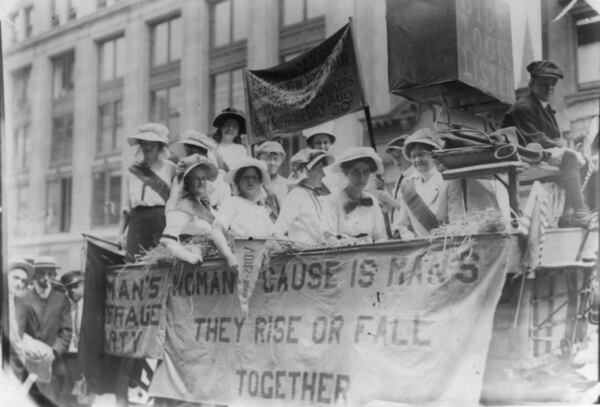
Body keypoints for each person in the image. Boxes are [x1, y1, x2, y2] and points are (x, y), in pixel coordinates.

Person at [502, 60, 597, 228]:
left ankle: (568, 215)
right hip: (520, 152)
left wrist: (559, 144)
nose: (550, 88)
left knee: (585, 161)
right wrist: (561, 145)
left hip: (536, 152)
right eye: (544, 84)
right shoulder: (523, 107)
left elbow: (553, 138)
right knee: (570, 157)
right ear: (532, 84)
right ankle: (580, 212)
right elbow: (535, 138)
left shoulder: (545, 107)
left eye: (553, 84)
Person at [160, 155, 237, 267]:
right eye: (196, 178)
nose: (201, 182)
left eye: (204, 178)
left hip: (214, 262)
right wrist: (189, 257)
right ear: (187, 182)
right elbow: (167, 241)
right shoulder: (181, 209)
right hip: (196, 269)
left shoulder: (205, 205)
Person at [119, 123, 176, 261]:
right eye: (144, 143)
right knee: (135, 265)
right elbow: (126, 207)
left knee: (161, 264)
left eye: (152, 144)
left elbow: (175, 201)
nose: (148, 148)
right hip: (137, 224)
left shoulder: (170, 169)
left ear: (159, 147)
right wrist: (120, 233)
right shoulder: (132, 172)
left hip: (161, 222)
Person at [21, 256, 72, 406]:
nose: (46, 278)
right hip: (29, 365)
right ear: (34, 275)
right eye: (42, 273)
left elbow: (66, 331)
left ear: (54, 275)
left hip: (54, 367)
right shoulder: (23, 298)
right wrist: (30, 350)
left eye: (50, 274)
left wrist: (53, 352)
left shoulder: (62, 300)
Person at [323, 147, 387, 243]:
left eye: (365, 172)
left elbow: (380, 236)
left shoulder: (371, 200)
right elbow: (328, 237)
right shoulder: (333, 200)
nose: (361, 178)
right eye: (356, 172)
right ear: (346, 172)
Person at [275, 148, 334, 245]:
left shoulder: (317, 195)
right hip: (302, 253)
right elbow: (278, 230)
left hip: (320, 252)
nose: (324, 174)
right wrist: (292, 245)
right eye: (320, 170)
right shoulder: (296, 195)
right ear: (308, 171)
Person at [396, 128, 445, 238]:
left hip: (447, 243)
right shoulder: (407, 185)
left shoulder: (445, 180)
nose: (417, 160)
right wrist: (412, 240)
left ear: (434, 155)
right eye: (413, 156)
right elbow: (403, 224)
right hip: (421, 248)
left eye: (421, 154)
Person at [166, 129, 231, 211]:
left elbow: (225, 208)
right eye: (188, 153)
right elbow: (172, 202)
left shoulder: (219, 179)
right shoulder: (181, 177)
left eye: (195, 153)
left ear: (204, 154)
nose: (191, 158)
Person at [214, 158, 276, 239]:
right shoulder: (233, 202)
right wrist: (227, 252)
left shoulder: (262, 210)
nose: (251, 181)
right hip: (238, 249)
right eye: (246, 177)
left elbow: (275, 236)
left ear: (259, 182)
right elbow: (217, 230)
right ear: (238, 181)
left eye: (255, 177)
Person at [59, 270, 93, 406]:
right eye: (68, 288)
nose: (71, 291)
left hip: (84, 357)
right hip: (69, 357)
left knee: (82, 396)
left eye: (75, 286)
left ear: (84, 285)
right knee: (67, 396)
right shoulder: (70, 307)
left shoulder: (90, 307)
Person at [374, 135, 414, 238]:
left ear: (409, 154)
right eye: (393, 157)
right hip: (398, 232)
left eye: (399, 156)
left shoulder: (415, 177)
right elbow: (394, 207)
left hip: (411, 233)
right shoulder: (401, 178)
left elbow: (413, 211)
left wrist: (387, 198)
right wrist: (383, 191)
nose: (396, 160)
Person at [255, 141, 291, 207]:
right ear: (258, 159)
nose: (272, 163)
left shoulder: (287, 185)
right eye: (268, 158)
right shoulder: (253, 184)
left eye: (276, 159)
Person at [212, 107, 249, 172]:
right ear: (221, 127)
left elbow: (240, 171)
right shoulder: (212, 146)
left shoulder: (240, 150)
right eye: (228, 124)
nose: (230, 128)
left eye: (235, 127)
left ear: (238, 132)